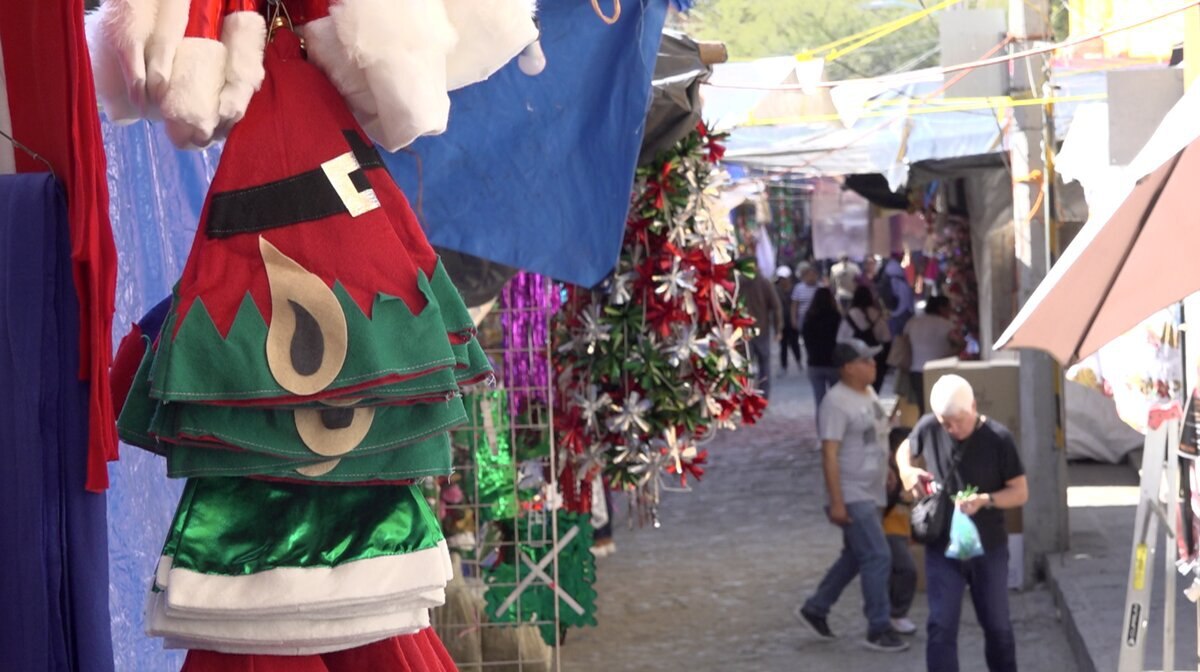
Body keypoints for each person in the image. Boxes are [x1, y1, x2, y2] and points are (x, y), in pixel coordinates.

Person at [897, 375, 1028, 672]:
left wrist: (986, 500)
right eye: (946, 423)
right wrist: (907, 471)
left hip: (988, 547)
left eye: (957, 421)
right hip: (943, 546)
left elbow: (1019, 492)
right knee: (941, 626)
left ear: (973, 408)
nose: (952, 429)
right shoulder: (930, 427)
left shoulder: (999, 439)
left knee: (998, 627)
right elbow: (905, 447)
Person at [797, 339, 909, 653]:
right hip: (852, 492)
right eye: (866, 361)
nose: (874, 365)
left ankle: (816, 607)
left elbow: (877, 435)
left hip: (872, 489)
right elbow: (829, 455)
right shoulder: (835, 403)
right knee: (878, 555)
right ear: (848, 368)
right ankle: (878, 626)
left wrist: (887, 469)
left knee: (856, 556)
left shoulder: (868, 393)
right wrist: (837, 501)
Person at [884, 428, 918, 637]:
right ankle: (897, 614)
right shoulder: (890, 475)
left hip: (900, 531)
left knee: (894, 574)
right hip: (888, 530)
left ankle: (890, 614)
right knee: (907, 571)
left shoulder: (907, 472)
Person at [903, 296, 962, 414]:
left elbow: (905, 343)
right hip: (938, 371)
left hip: (916, 371)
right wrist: (949, 355)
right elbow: (960, 343)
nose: (950, 312)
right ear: (941, 309)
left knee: (923, 407)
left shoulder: (913, 322)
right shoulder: (946, 325)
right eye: (949, 309)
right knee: (940, 408)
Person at [741, 260, 783, 399]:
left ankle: (744, 392)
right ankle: (763, 396)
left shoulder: (739, 282)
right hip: (761, 329)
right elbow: (776, 307)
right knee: (764, 364)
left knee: (744, 364)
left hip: (742, 331)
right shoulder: (764, 282)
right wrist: (778, 328)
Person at [838, 286, 891, 392]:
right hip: (875, 358)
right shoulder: (877, 315)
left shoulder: (850, 315)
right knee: (873, 392)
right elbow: (887, 338)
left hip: (854, 360)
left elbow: (840, 339)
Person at [802, 287, 842, 414]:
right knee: (836, 401)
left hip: (814, 363)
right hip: (833, 363)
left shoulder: (809, 317)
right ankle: (835, 430)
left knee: (820, 401)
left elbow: (805, 338)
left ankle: (822, 431)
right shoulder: (836, 317)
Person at [878, 253, 915, 337]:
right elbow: (904, 292)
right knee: (900, 335)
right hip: (901, 308)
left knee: (897, 334)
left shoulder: (890, 270)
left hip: (896, 308)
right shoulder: (895, 270)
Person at [775, 266, 803, 375]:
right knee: (783, 345)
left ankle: (798, 361)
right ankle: (783, 366)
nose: (783, 281)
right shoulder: (776, 290)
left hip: (792, 320)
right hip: (781, 321)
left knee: (794, 343)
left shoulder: (794, 289)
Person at [791, 262, 820, 336]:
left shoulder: (821, 288)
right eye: (809, 275)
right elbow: (794, 305)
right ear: (805, 276)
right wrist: (794, 319)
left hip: (818, 320)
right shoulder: (798, 288)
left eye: (813, 275)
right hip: (803, 321)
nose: (811, 277)